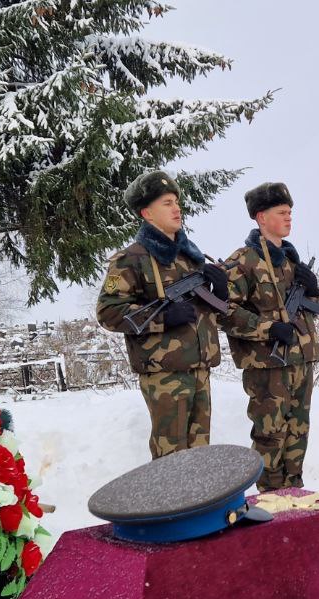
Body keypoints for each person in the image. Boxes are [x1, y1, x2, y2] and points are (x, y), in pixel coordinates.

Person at [96, 170, 230, 458]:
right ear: (147, 213)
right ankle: (171, 504)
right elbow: (108, 312)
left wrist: (220, 293)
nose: (177, 208)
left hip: (200, 369)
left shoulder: (191, 258)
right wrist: (162, 318)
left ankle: (199, 504)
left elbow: (205, 313)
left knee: (200, 455)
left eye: (177, 201)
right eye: (167, 203)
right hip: (165, 373)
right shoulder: (132, 259)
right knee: (171, 460)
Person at [221, 182, 319, 491]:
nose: (289, 218)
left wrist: (314, 290)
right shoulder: (242, 262)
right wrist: (267, 328)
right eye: (282, 212)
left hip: (301, 361)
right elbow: (223, 311)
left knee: (298, 431)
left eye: (290, 212)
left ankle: (294, 496)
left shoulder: (292, 262)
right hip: (268, 366)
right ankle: (270, 500)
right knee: (270, 434)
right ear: (261, 217)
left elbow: (310, 310)